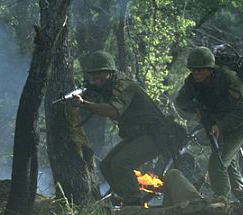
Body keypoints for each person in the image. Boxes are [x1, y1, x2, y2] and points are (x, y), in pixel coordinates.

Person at [72, 51, 178, 206]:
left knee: (121, 163)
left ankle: (134, 204)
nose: (94, 79)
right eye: (92, 75)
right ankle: (128, 198)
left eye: (98, 74)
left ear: (109, 72)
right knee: (106, 166)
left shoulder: (124, 85)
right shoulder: (108, 87)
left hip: (155, 135)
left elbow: (113, 111)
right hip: (139, 135)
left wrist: (84, 104)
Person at [175, 46, 243, 203]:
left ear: (210, 69)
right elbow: (180, 101)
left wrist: (220, 126)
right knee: (229, 165)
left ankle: (221, 201)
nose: (196, 73)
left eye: (200, 70)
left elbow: (242, 113)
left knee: (218, 161)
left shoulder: (229, 79)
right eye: (193, 70)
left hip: (240, 123)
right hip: (215, 122)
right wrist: (195, 109)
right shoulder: (192, 81)